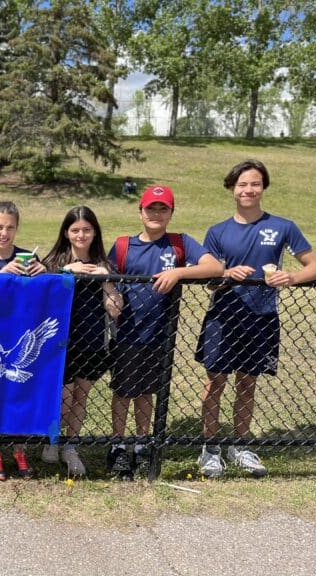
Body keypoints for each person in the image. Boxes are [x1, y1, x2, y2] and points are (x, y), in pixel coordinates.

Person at [195, 159, 316, 478]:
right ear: (231, 188)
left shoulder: (283, 227)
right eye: (242, 184)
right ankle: (209, 450)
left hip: (262, 317)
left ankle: (240, 446)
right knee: (214, 383)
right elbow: (208, 279)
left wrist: (290, 277)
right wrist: (226, 274)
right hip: (223, 317)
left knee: (247, 383)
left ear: (263, 187)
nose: (248, 189)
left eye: (254, 183)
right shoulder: (217, 231)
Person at [106, 185, 223, 479]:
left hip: (160, 334)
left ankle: (142, 445)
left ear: (171, 213)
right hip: (127, 333)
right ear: (140, 211)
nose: (156, 214)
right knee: (123, 392)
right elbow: (107, 280)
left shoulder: (179, 244)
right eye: (151, 208)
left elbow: (214, 267)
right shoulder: (123, 245)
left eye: (163, 209)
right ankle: (117, 445)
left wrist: (179, 272)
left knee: (146, 392)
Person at [41, 206, 123, 477]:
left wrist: (106, 281)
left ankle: (71, 446)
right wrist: (65, 271)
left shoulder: (103, 264)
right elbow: (37, 291)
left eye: (86, 229)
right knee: (62, 397)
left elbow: (115, 309)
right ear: (66, 232)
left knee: (80, 396)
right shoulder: (53, 261)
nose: (81, 235)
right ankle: (52, 439)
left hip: (92, 341)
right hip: (60, 342)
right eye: (75, 230)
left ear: (95, 232)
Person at [0, 201, 46, 480]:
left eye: (10, 227)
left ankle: (19, 450)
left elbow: (42, 299)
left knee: (18, 395)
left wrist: (44, 274)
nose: (4, 233)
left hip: (17, 334)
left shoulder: (27, 259)